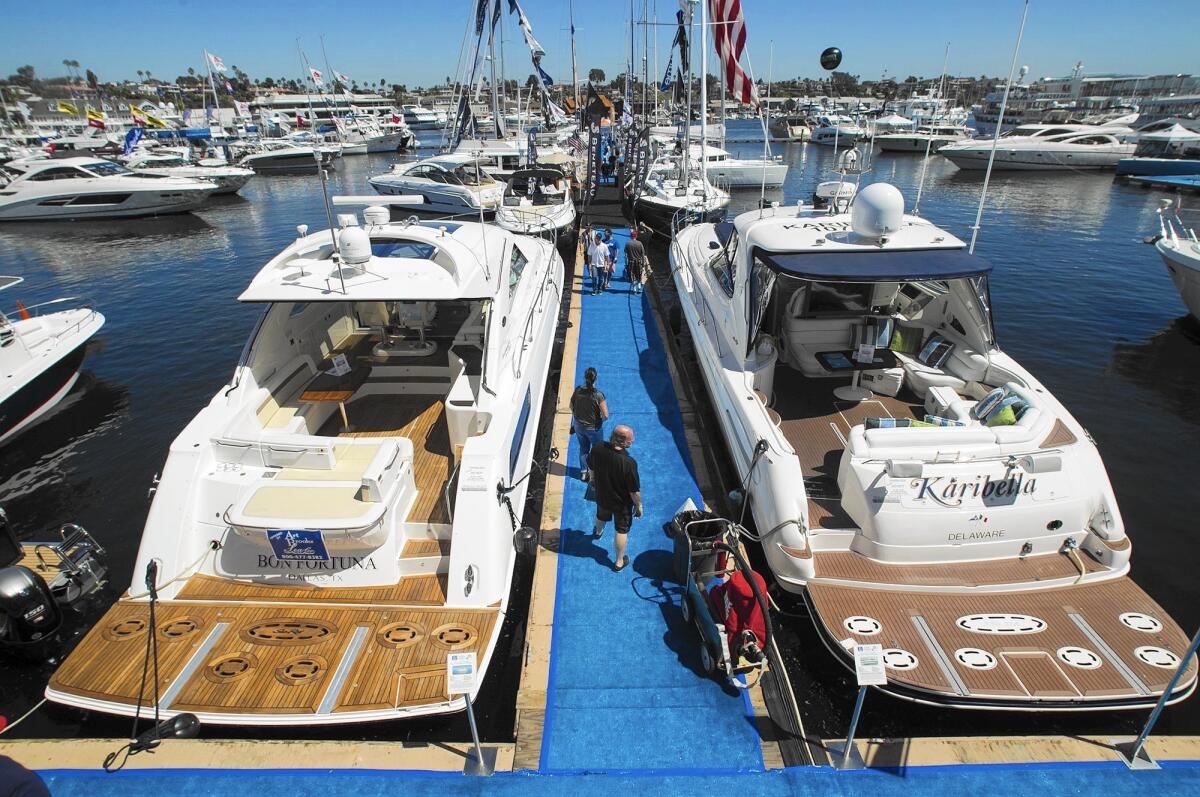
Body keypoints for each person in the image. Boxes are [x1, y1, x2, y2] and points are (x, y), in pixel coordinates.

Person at [588, 424, 642, 571]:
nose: (633, 442)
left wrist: (592, 481)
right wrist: (638, 506)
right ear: (625, 442)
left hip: (602, 495)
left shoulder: (598, 448)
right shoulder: (629, 463)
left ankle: (597, 532)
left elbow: (591, 467)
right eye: (631, 440)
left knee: (600, 514)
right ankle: (619, 561)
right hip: (621, 504)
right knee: (621, 530)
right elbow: (634, 492)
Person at [569, 366, 608, 482]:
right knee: (598, 451)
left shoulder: (577, 390)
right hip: (594, 428)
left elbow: (571, 406)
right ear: (596, 379)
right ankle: (595, 475)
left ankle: (583, 473)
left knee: (583, 448)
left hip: (578, 426)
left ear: (585, 378)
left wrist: (578, 418)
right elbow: (606, 415)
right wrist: (598, 420)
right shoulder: (598, 395)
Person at [624, 229, 647, 293]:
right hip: (639, 262)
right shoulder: (640, 243)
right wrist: (643, 263)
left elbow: (625, 255)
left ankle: (634, 289)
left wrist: (626, 264)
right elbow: (643, 254)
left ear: (631, 236)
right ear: (636, 236)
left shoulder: (628, 244)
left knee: (632, 275)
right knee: (639, 274)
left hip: (631, 262)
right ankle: (639, 287)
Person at [589, 231, 610, 295]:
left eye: (598, 239)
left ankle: (600, 289)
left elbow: (606, 256)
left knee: (601, 279)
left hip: (602, 264)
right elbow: (589, 255)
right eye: (596, 238)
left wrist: (607, 265)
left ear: (600, 239)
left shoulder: (604, 246)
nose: (597, 240)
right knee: (594, 277)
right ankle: (594, 290)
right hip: (594, 264)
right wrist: (589, 264)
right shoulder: (592, 245)